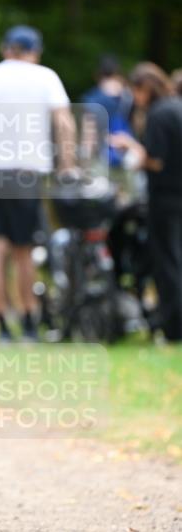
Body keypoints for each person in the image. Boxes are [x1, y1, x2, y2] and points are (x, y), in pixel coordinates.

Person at [0, 25, 76, 343]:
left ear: (6, 49)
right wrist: (67, 164)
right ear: (34, 52)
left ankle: (2, 325)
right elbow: (64, 122)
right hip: (25, 172)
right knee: (23, 250)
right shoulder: (45, 77)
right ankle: (29, 321)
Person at [110, 63, 182, 343]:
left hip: (165, 198)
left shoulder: (159, 114)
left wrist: (131, 148)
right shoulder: (176, 107)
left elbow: (156, 160)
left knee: (167, 263)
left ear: (145, 88)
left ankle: (174, 328)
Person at [81, 55, 135, 169]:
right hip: (129, 153)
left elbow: (89, 135)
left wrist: (85, 162)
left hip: (102, 156)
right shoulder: (130, 96)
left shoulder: (92, 98)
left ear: (97, 74)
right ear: (118, 73)